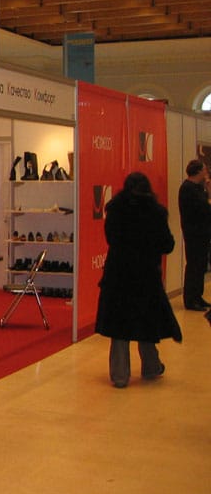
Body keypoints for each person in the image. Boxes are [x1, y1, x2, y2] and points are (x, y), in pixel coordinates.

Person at [95, 171, 181, 388]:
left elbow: (111, 238)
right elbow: (167, 245)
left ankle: (120, 375)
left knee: (119, 327)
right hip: (146, 276)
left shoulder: (115, 209)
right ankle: (151, 366)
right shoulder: (156, 212)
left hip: (119, 275)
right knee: (146, 323)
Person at [178, 159, 211, 311]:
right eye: (204, 169)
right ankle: (190, 299)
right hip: (194, 233)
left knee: (201, 265)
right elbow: (204, 209)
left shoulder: (199, 188)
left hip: (202, 233)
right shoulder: (187, 189)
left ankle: (198, 295)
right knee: (194, 265)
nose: (206, 171)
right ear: (198, 171)